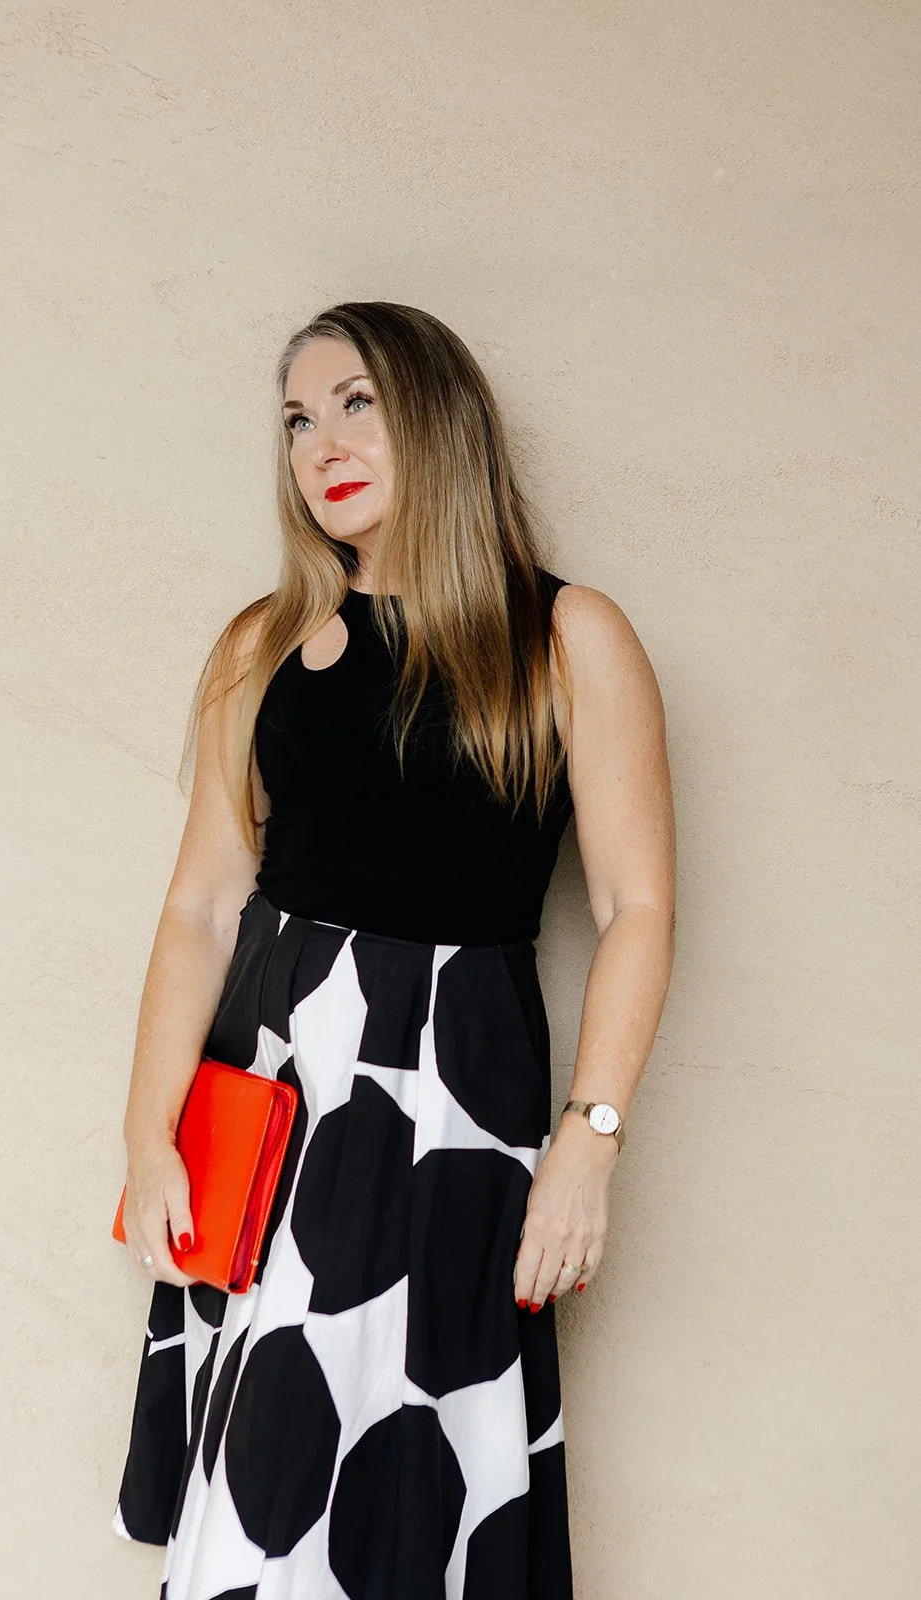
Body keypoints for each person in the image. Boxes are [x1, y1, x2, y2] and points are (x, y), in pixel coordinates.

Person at [111, 301, 676, 1599]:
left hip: (450, 1107)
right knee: (261, 1481)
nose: (321, 441)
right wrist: (149, 1137)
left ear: (438, 414)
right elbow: (201, 903)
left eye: (355, 401)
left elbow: (636, 904)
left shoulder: (564, 635)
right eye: (298, 417)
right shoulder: (260, 645)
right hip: (262, 1104)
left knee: (424, 1468)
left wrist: (586, 1139)